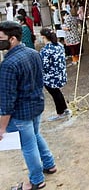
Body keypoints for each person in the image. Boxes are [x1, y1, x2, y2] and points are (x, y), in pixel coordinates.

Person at [0, 21, 56, 190]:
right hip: (36, 105)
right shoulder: (33, 53)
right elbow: (40, 81)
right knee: (35, 135)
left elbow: (6, 100)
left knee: (28, 145)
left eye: (1, 38)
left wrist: (1, 127)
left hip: (21, 112)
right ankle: (49, 163)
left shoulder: (8, 65)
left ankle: (36, 180)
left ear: (13, 39)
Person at [38, 28, 71, 121]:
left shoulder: (45, 50)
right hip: (60, 74)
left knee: (55, 94)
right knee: (57, 92)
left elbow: (44, 66)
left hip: (50, 77)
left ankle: (60, 112)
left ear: (43, 37)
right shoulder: (59, 45)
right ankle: (64, 108)